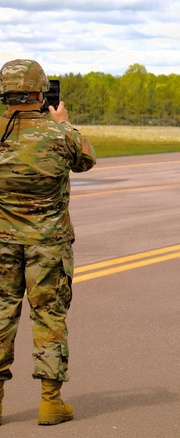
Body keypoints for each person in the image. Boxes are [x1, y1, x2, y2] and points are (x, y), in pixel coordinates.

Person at [0, 59, 96, 426]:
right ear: (41, 92)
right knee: (49, 317)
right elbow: (86, 160)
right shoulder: (59, 135)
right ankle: (50, 402)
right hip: (48, 244)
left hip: (2, 242)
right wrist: (63, 122)